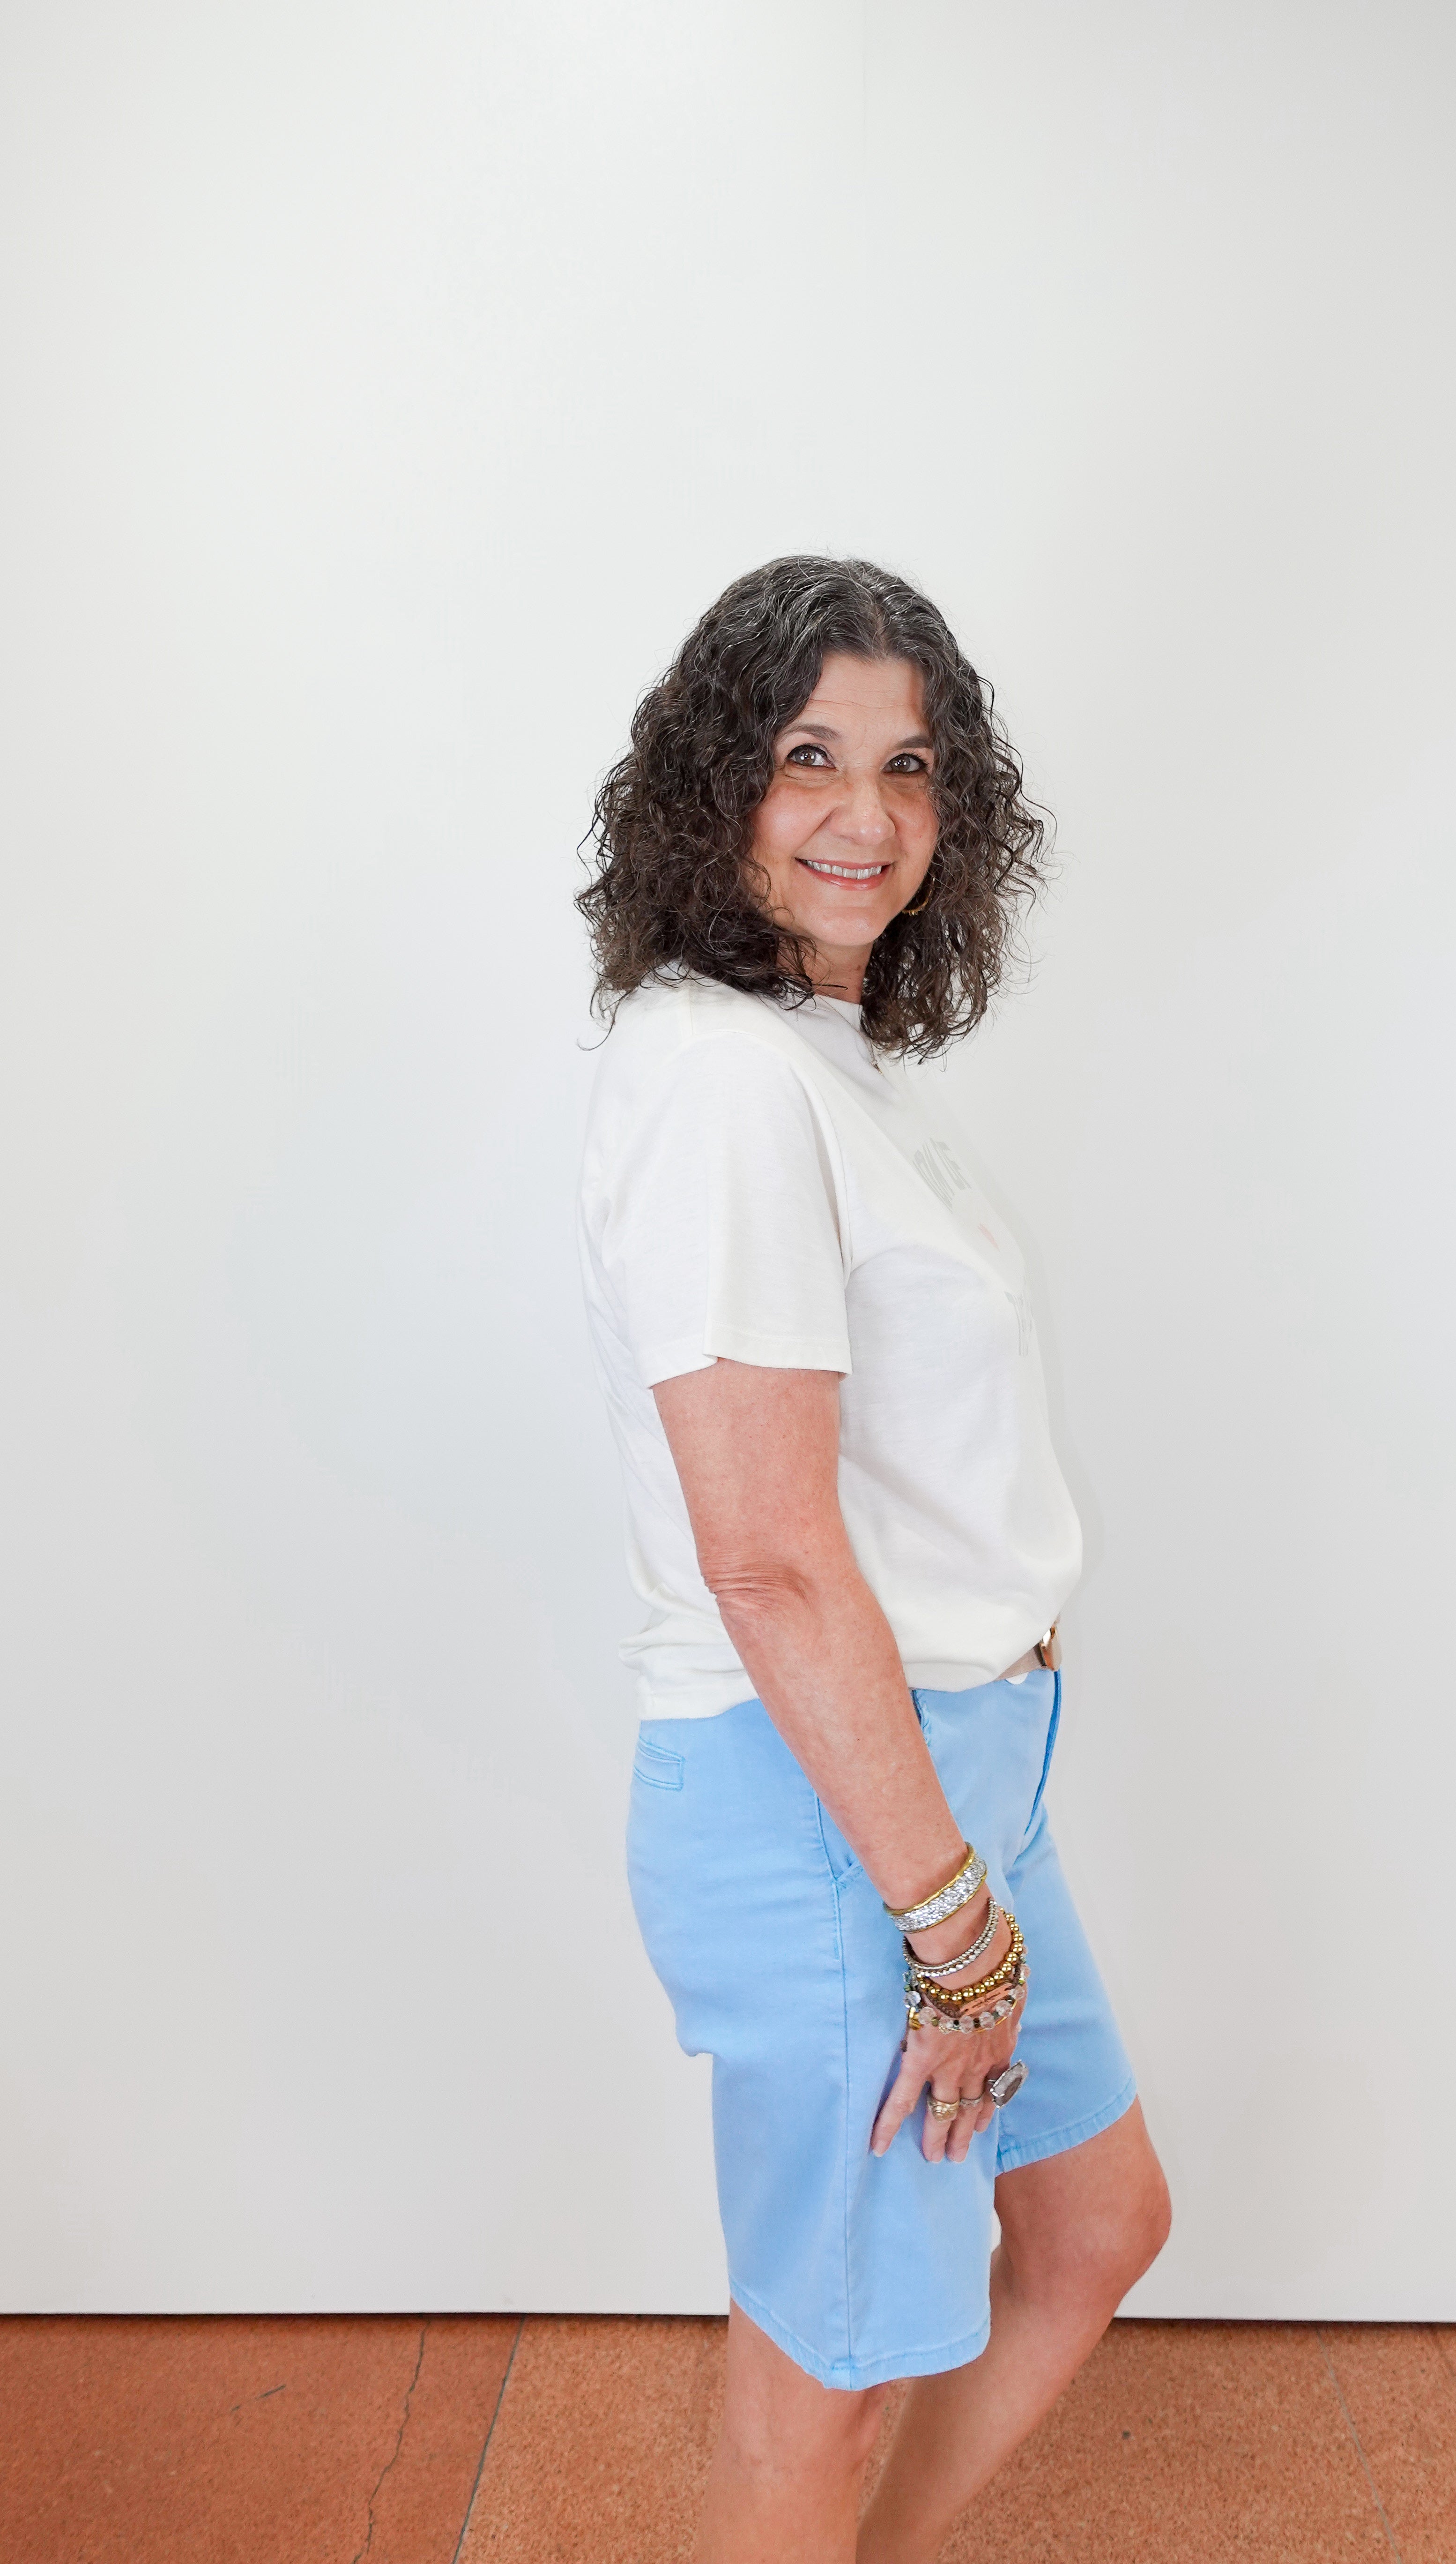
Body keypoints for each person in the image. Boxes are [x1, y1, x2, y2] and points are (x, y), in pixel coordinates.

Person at [576, 557, 1171, 2562]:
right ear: (715, 786)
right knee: (821, 2383)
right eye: (808, 756)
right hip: (837, 1805)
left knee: (1093, 2222)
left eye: (911, 767)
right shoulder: (722, 1081)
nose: (866, 813)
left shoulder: (823, 1068)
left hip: (955, 1781)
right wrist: (943, 1919)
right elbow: (768, 1556)